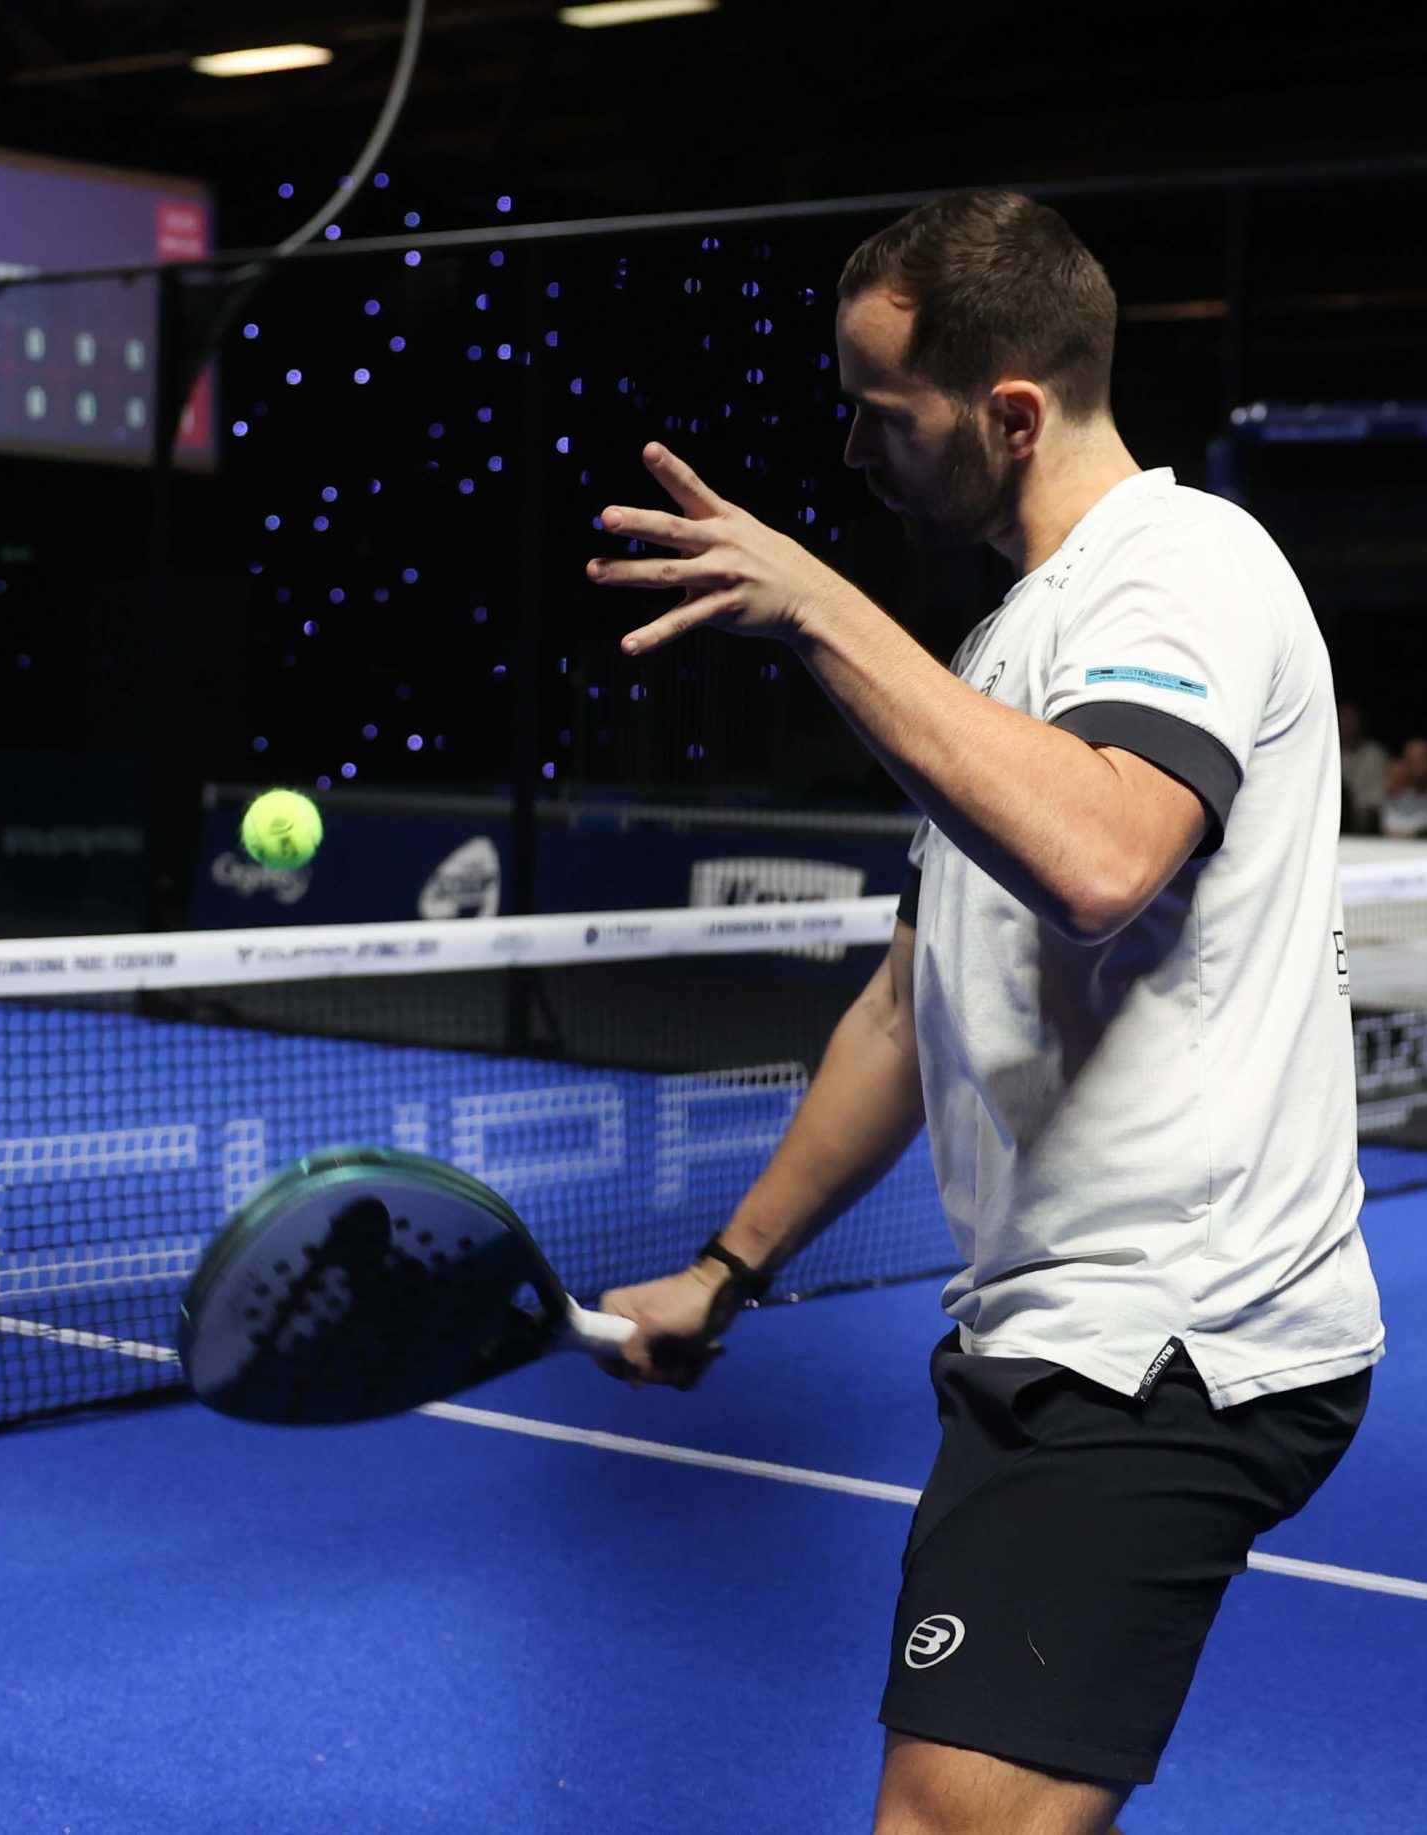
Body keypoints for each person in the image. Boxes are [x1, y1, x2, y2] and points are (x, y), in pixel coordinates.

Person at [586, 189, 1378, 1835]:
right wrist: (726, 1271)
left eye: (883, 412)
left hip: (1165, 1344)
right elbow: (906, 1003)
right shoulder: (1013, 637)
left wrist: (817, 606)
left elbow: (1099, 856)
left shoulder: (1182, 566)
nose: (853, 448)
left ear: (1011, 414)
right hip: (1061, 1336)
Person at [1338, 700, 1389, 833]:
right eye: (1343, 721)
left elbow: (1380, 795)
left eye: (1351, 721)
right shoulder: (1328, 754)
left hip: (1369, 821)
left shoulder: (1375, 754)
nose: (1347, 726)